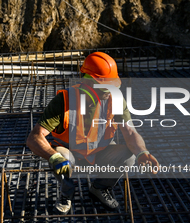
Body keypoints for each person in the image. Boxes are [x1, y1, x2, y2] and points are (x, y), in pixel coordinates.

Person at [26, 52, 159, 214]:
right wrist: (52, 156)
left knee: (129, 156)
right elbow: (35, 137)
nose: (110, 92)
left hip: (100, 152)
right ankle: (66, 194)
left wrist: (142, 152)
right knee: (61, 158)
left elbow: (130, 132)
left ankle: (100, 188)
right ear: (88, 83)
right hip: (69, 152)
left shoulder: (115, 99)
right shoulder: (65, 100)